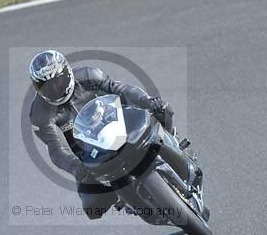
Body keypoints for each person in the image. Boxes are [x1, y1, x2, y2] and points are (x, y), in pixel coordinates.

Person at [28, 49, 174, 220]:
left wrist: (147, 102)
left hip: (120, 126)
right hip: (89, 156)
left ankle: (173, 142)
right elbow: (56, 150)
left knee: (163, 111)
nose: (55, 88)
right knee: (93, 206)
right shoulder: (40, 114)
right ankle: (127, 199)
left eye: (58, 81)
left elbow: (122, 90)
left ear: (67, 73)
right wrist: (76, 167)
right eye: (46, 86)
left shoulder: (89, 75)